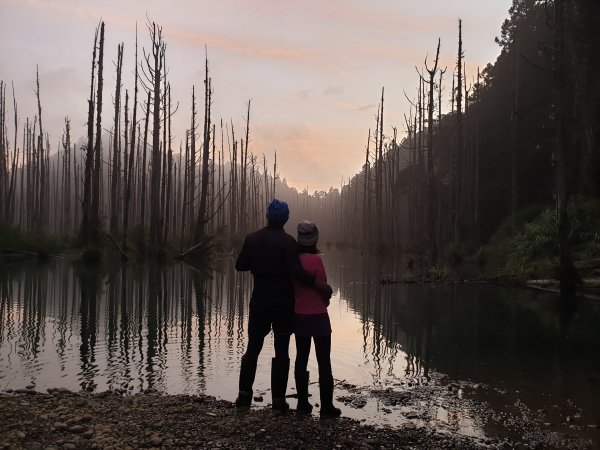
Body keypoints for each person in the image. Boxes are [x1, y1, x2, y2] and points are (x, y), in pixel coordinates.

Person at [235, 199, 333, 411]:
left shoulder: (252, 239)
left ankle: (244, 397)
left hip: (259, 302)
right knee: (281, 350)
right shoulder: (288, 243)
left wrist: (260, 262)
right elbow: (296, 272)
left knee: (253, 347)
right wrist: (320, 286)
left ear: (267, 217)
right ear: (286, 219)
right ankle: (278, 401)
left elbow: (240, 265)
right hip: (283, 305)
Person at [293, 220, 341, 417]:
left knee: (301, 358)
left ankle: (303, 405)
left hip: (299, 316)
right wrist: (325, 301)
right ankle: (327, 407)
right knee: (324, 361)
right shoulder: (317, 261)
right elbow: (324, 287)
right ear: (315, 240)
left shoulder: (293, 261)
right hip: (319, 317)